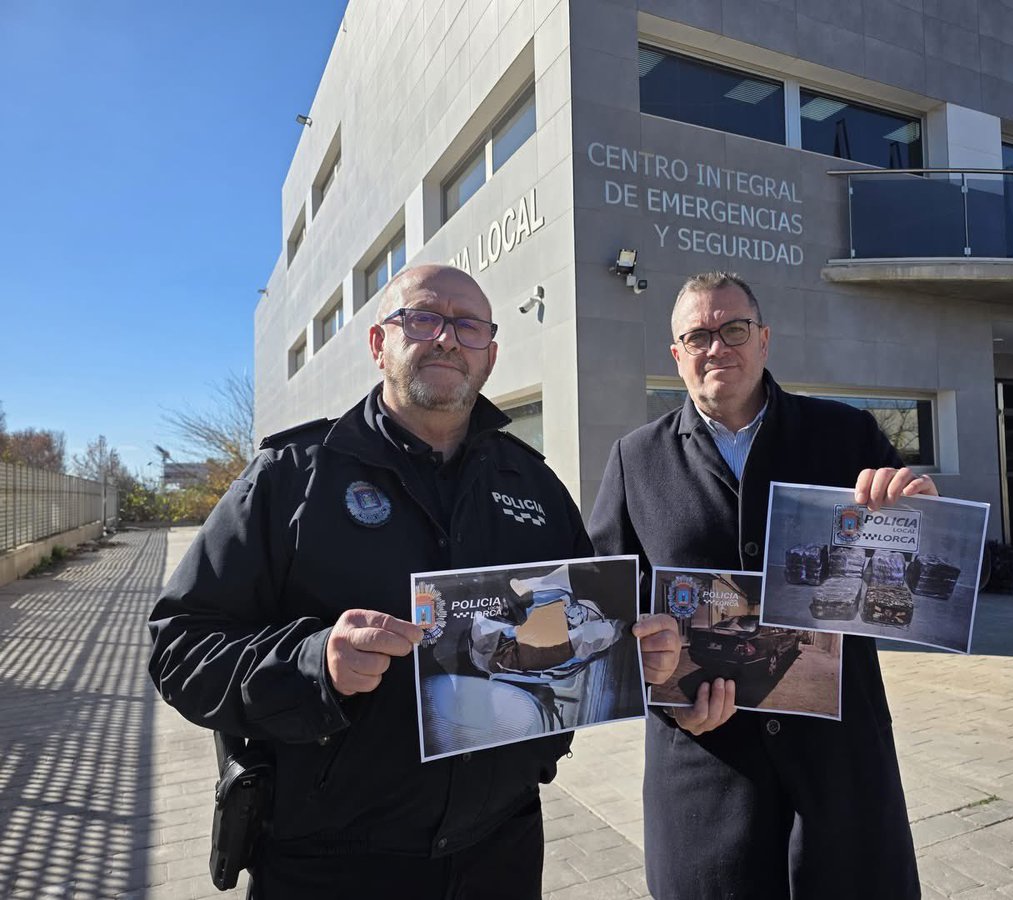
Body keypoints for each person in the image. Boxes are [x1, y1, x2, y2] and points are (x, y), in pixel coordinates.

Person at [148, 264, 680, 899]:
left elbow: (584, 629)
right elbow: (179, 645)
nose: (448, 339)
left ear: (490, 352)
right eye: (423, 318)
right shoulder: (292, 478)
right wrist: (316, 664)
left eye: (469, 326)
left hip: (501, 851)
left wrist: (636, 650)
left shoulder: (534, 485)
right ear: (379, 344)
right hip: (334, 862)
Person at [589, 271, 933, 899]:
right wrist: (662, 690)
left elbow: (917, 576)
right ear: (677, 355)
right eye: (697, 336)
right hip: (706, 768)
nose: (717, 346)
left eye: (734, 329)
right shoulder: (635, 460)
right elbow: (607, 612)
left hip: (837, 765)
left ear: (765, 339)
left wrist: (921, 517)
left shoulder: (846, 436)